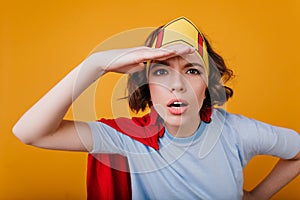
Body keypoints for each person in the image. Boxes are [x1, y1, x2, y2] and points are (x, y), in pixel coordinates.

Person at [13, 17, 300, 200]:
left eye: (192, 71)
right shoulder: (124, 139)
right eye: (162, 72)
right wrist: (96, 64)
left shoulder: (237, 132)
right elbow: (29, 133)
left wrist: (256, 196)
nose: (178, 85)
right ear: (146, 85)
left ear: (209, 85)